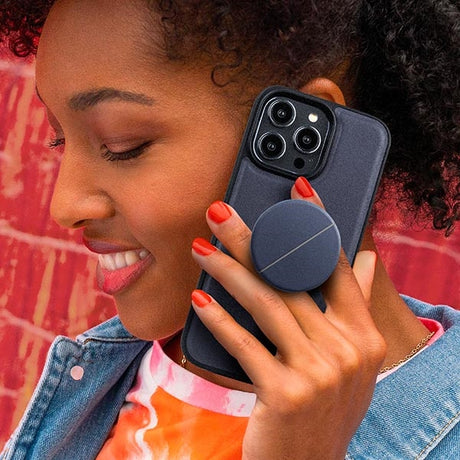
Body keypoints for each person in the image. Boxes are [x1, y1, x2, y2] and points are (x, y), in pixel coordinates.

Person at [0, 0, 458, 458]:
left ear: (311, 129)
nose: (64, 206)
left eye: (123, 144)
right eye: (60, 138)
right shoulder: (99, 378)